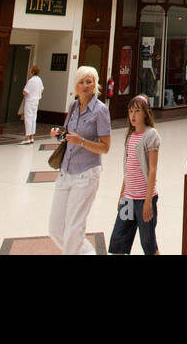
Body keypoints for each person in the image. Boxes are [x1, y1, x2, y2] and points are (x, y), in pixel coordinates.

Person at [47, 66, 111, 254]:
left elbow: (105, 147)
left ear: (95, 84)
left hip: (86, 174)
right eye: (81, 82)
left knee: (74, 229)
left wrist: (82, 142)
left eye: (89, 81)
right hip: (66, 172)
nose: (85, 85)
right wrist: (57, 133)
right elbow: (68, 134)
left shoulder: (101, 111)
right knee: (56, 229)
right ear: (76, 85)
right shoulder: (73, 106)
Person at [109, 94, 161, 255]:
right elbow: (128, 171)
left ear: (145, 113)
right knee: (118, 241)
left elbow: (152, 169)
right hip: (128, 199)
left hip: (144, 199)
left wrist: (147, 201)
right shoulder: (130, 136)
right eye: (130, 111)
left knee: (148, 243)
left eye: (137, 111)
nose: (133, 115)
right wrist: (121, 196)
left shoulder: (151, 135)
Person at [21, 65, 44, 144]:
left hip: (30, 101)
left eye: (30, 70)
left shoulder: (31, 81)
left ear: (33, 72)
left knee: (28, 119)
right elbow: (42, 89)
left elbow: (25, 92)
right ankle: (32, 137)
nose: (29, 72)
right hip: (36, 101)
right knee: (34, 119)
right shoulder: (39, 80)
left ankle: (27, 137)